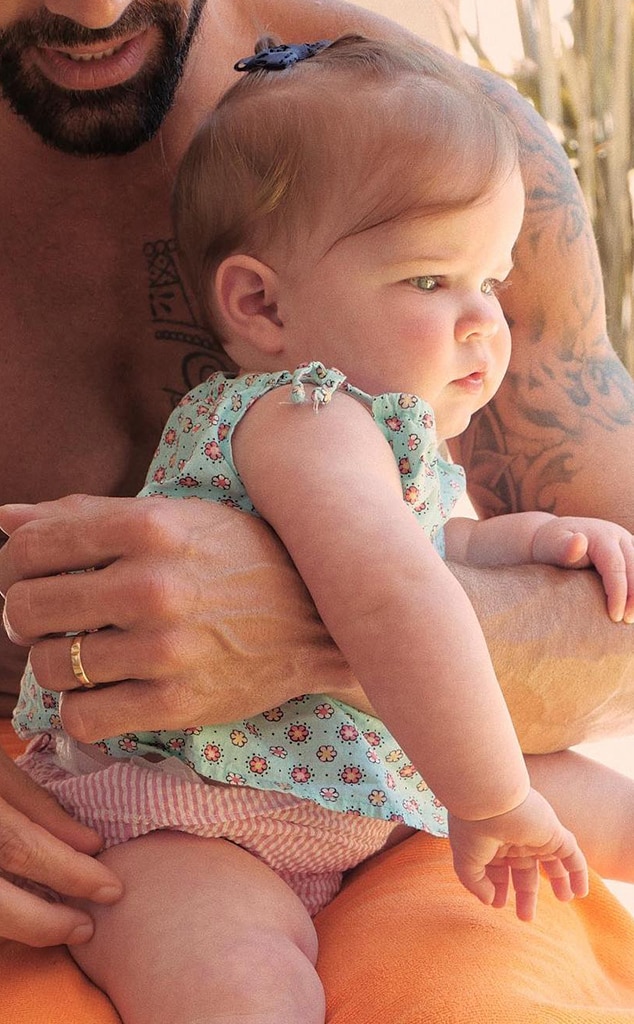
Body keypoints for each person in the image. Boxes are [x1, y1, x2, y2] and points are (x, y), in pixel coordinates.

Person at [0, 0, 634, 1013]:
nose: (485, 319)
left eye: (492, 282)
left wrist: (536, 541)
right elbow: (391, 584)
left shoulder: (442, 128)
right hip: (184, 810)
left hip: (366, 768)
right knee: (235, 980)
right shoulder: (306, 413)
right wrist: (494, 799)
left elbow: (432, 547)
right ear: (259, 304)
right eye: (431, 281)